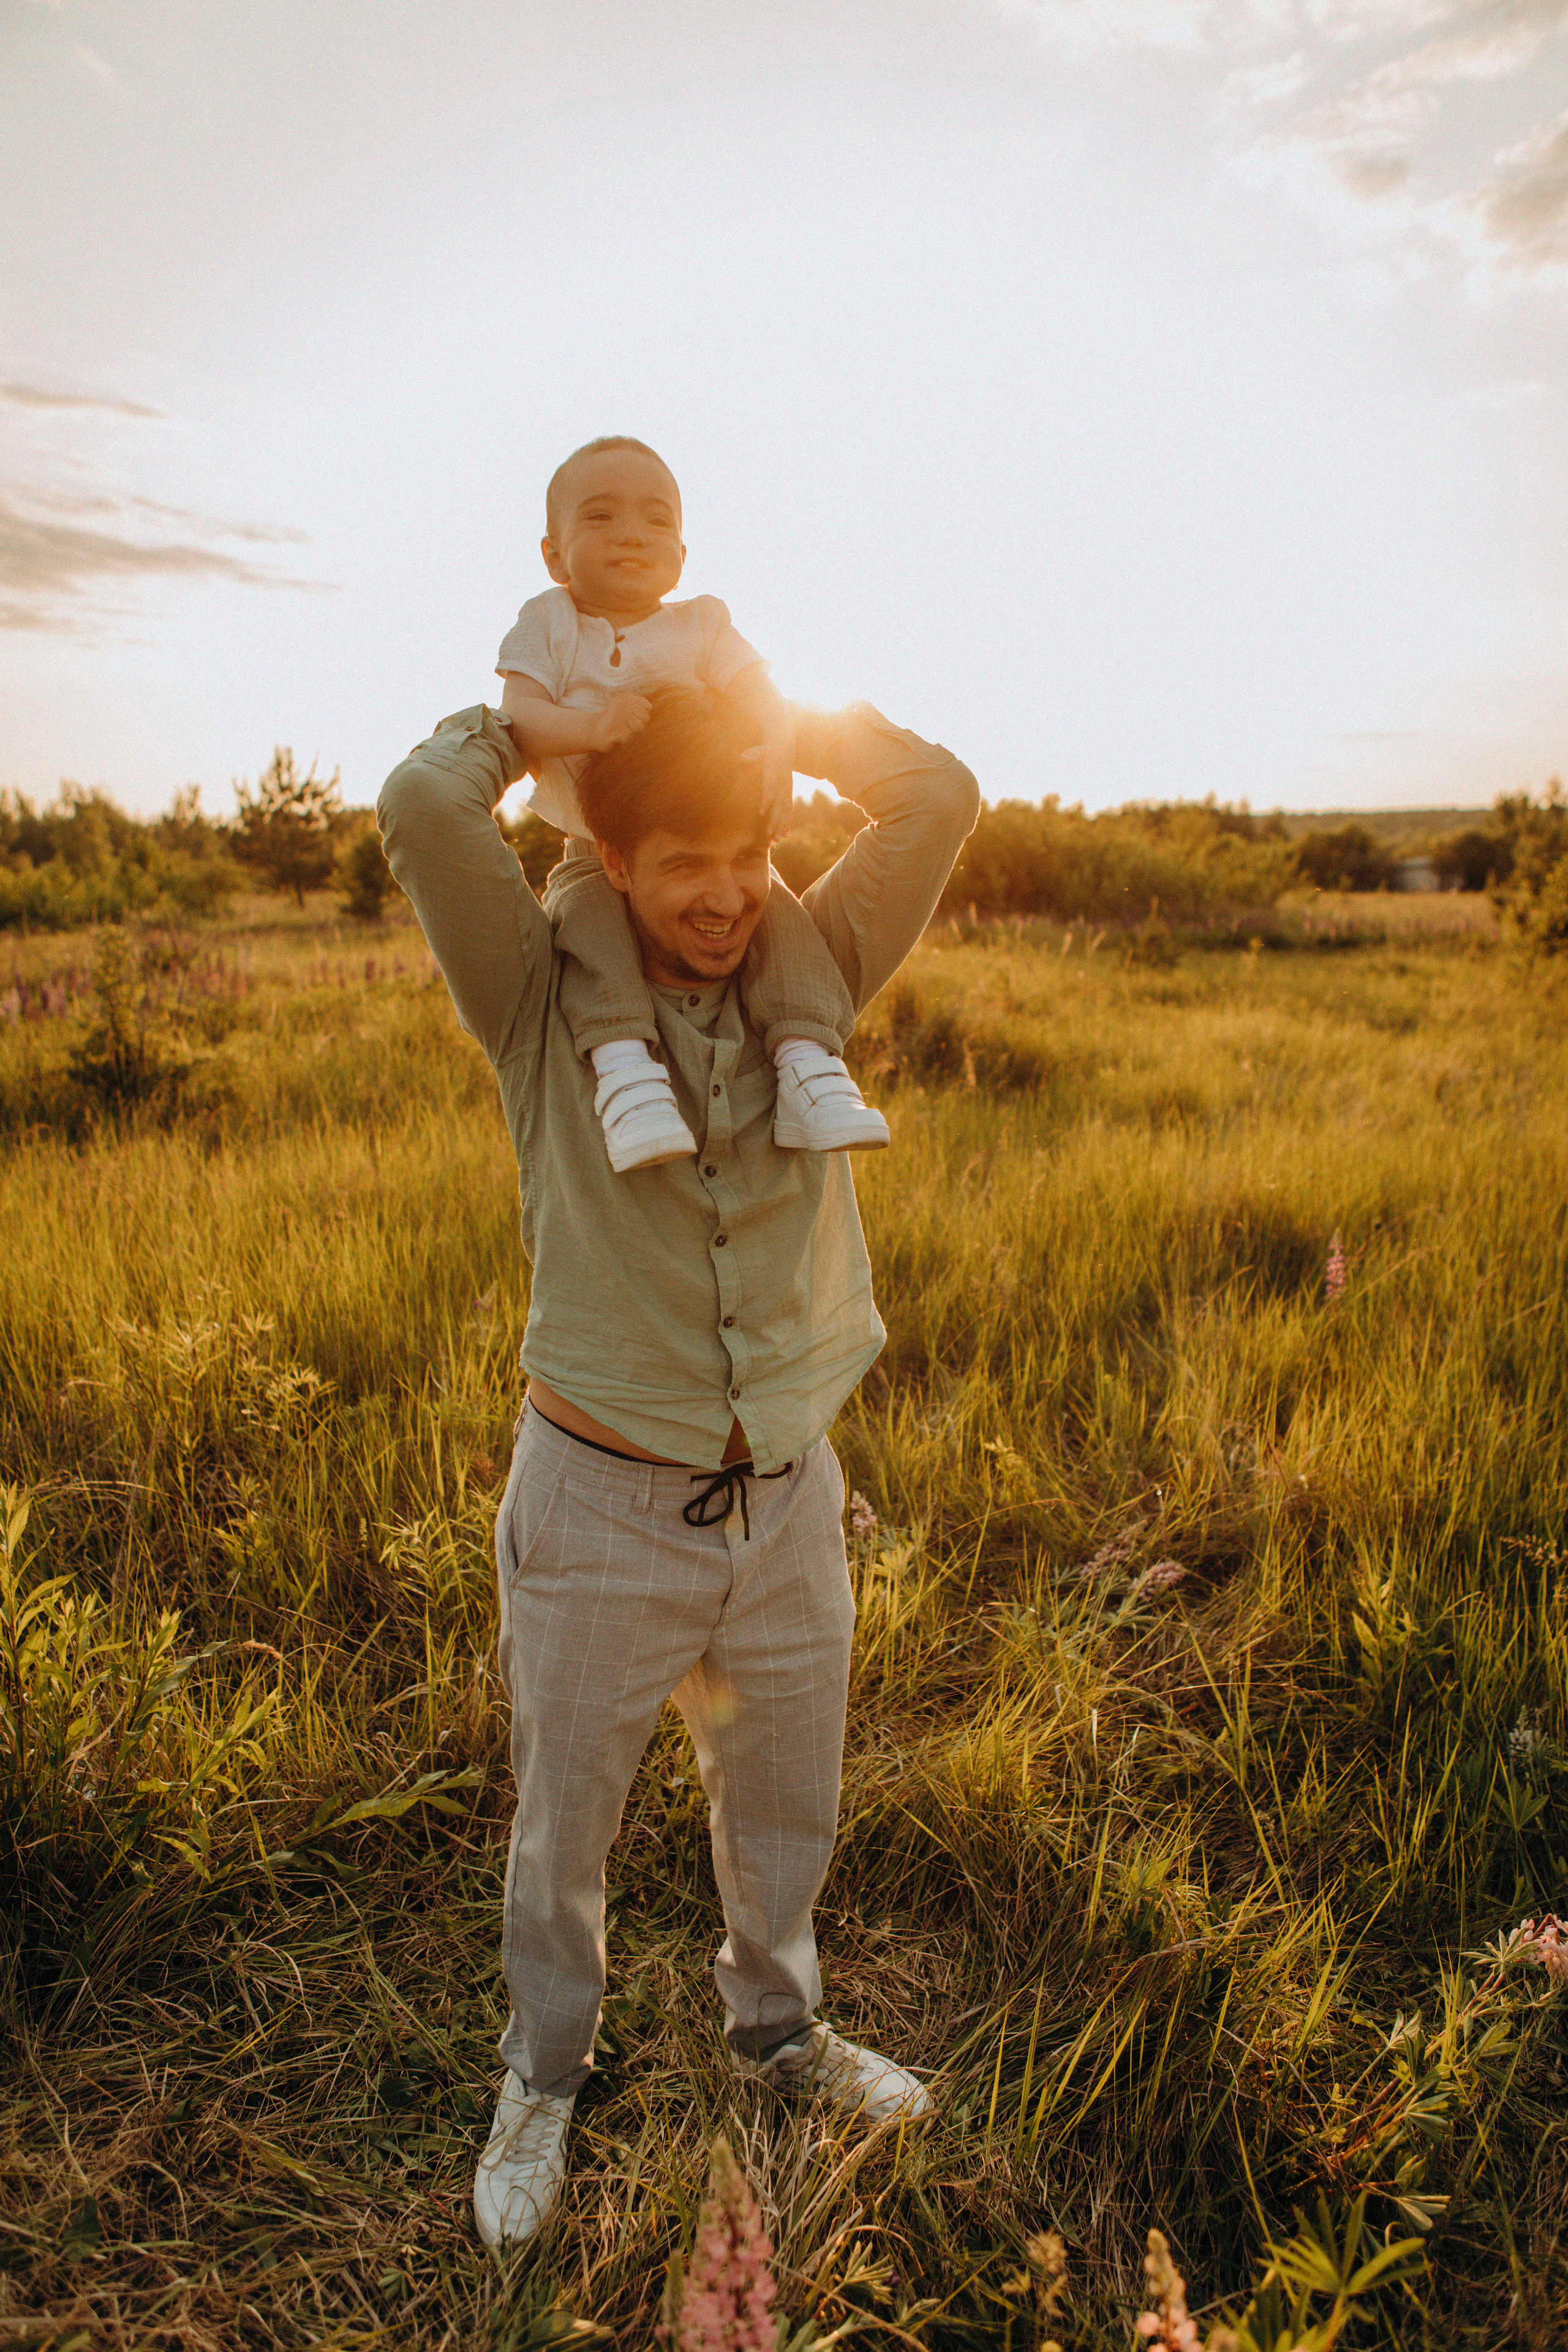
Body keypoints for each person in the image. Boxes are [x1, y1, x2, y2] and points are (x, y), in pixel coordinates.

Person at [377, 681, 979, 2248]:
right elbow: (429, 808)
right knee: (562, 1822)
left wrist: (793, 720)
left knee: (783, 1804)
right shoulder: (528, 991)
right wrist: (550, 721)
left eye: (746, 850)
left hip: (785, 1497)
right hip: (596, 1504)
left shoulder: (818, 962)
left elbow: (937, 796)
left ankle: (781, 2038)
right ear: (614, 856)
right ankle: (543, 2079)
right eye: (681, 860)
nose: (721, 892)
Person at [497, 434, 891, 1172]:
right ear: (554, 555)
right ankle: (625, 1077)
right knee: (588, 939)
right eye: (603, 517)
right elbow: (520, 714)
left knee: (784, 928)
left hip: (711, 829)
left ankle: (808, 1062)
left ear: (682, 552)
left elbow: (760, 694)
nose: (632, 535)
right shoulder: (548, 622)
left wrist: (777, 745)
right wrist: (589, 727)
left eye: (656, 520)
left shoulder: (701, 624)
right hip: (594, 842)